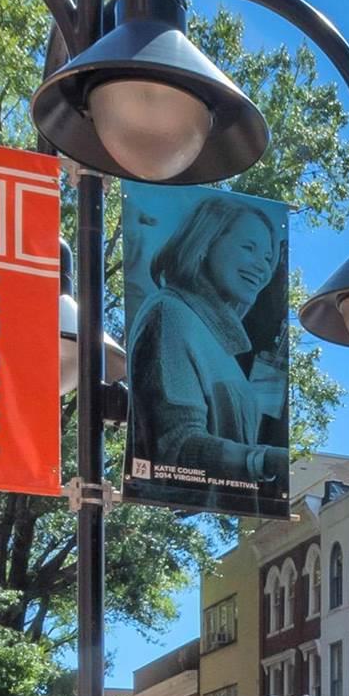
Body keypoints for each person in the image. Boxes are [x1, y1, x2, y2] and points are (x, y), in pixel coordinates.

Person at [130, 193, 287, 490]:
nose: (261, 267)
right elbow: (176, 445)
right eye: (248, 247)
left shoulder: (214, 339)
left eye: (268, 258)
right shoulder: (172, 315)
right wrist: (261, 461)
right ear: (206, 243)